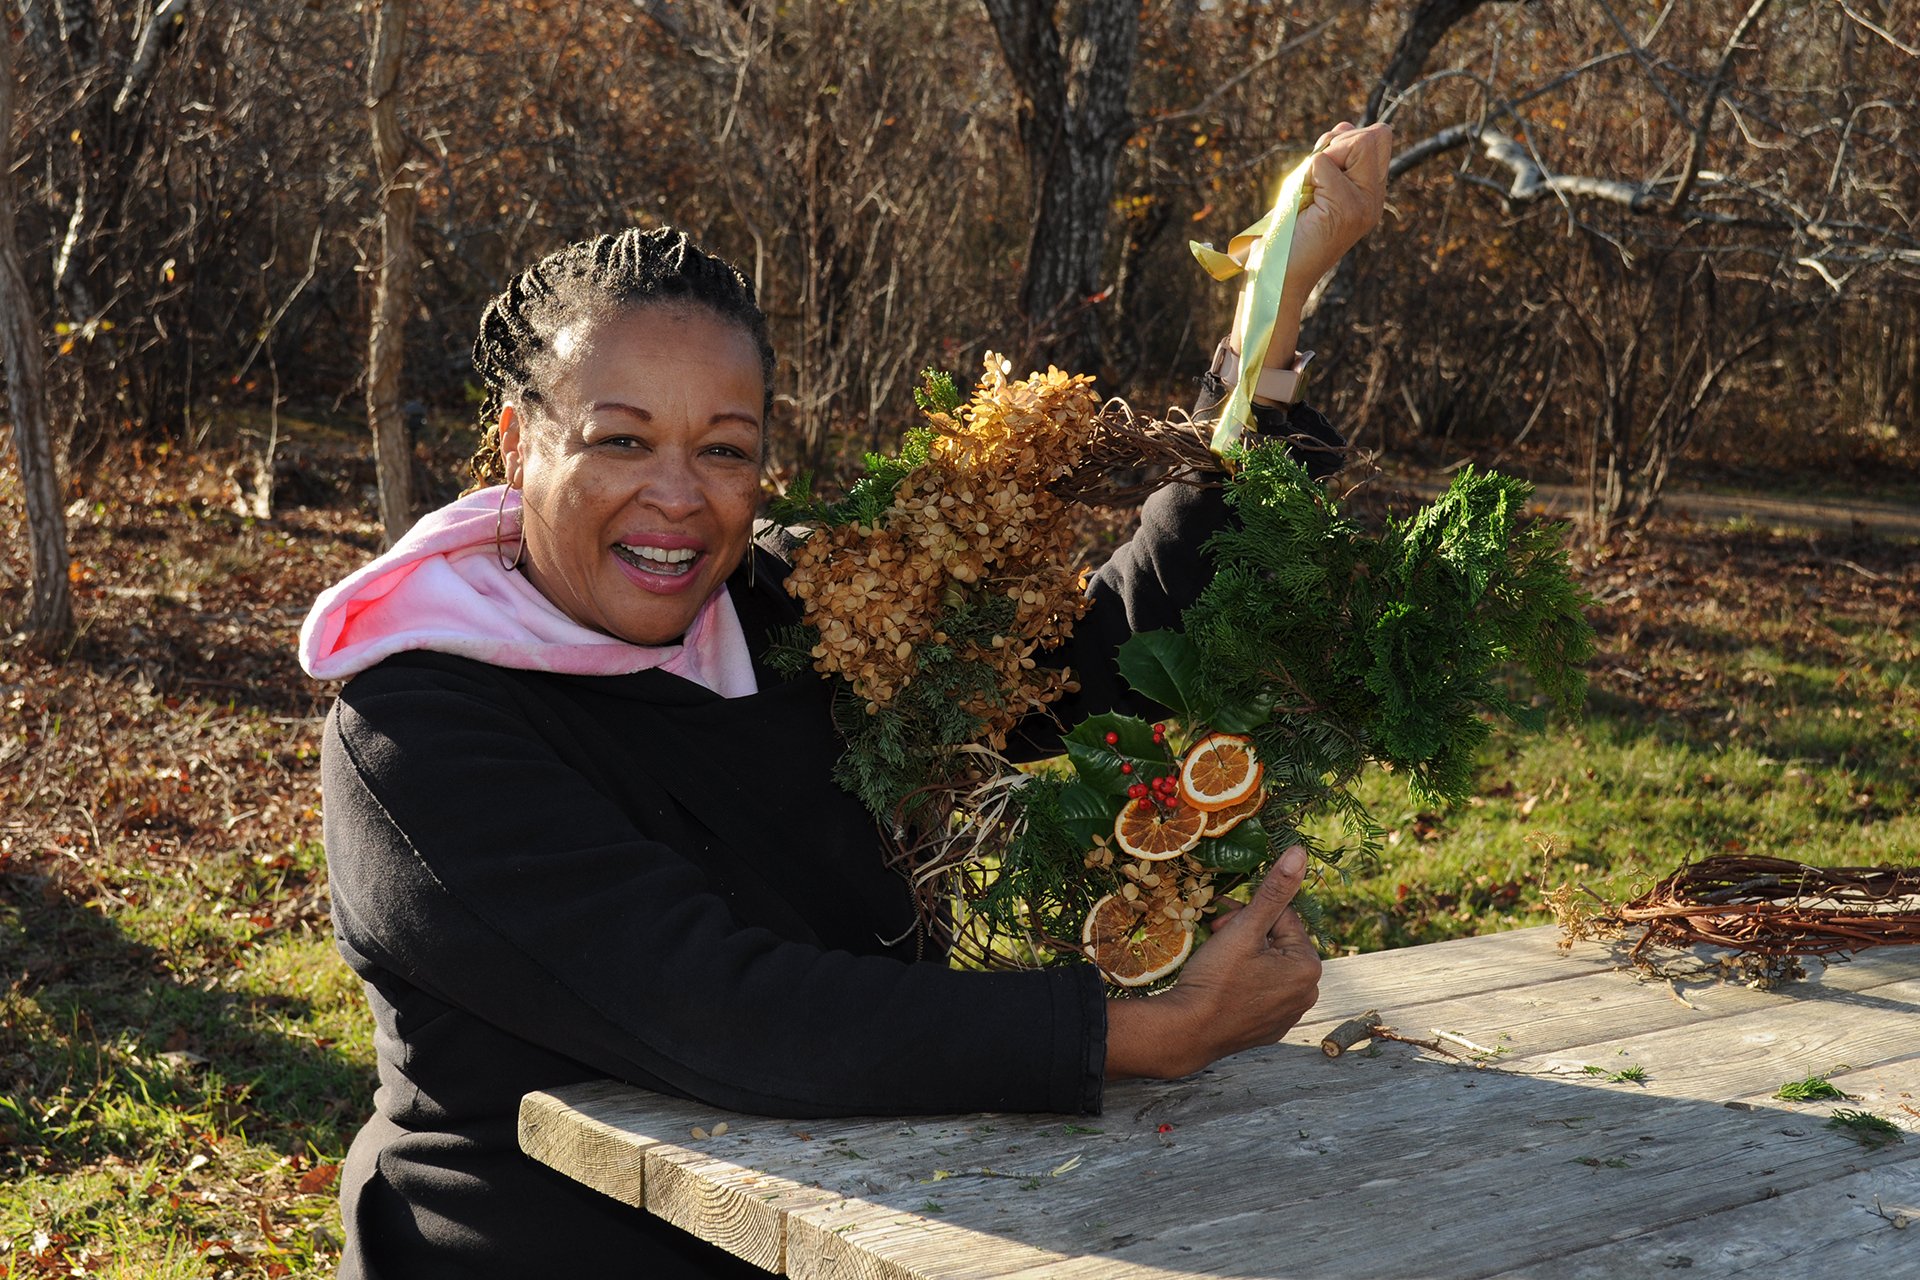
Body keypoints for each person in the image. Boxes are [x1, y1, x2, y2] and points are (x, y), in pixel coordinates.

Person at [301, 122, 1391, 1278]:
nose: (677, 496)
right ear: (519, 443)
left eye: (725, 449)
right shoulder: (418, 725)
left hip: (881, 1214)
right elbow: (716, 1004)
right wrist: (1130, 1035)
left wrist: (1265, 325)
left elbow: (1099, 660)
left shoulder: (802, 607)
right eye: (619, 440)